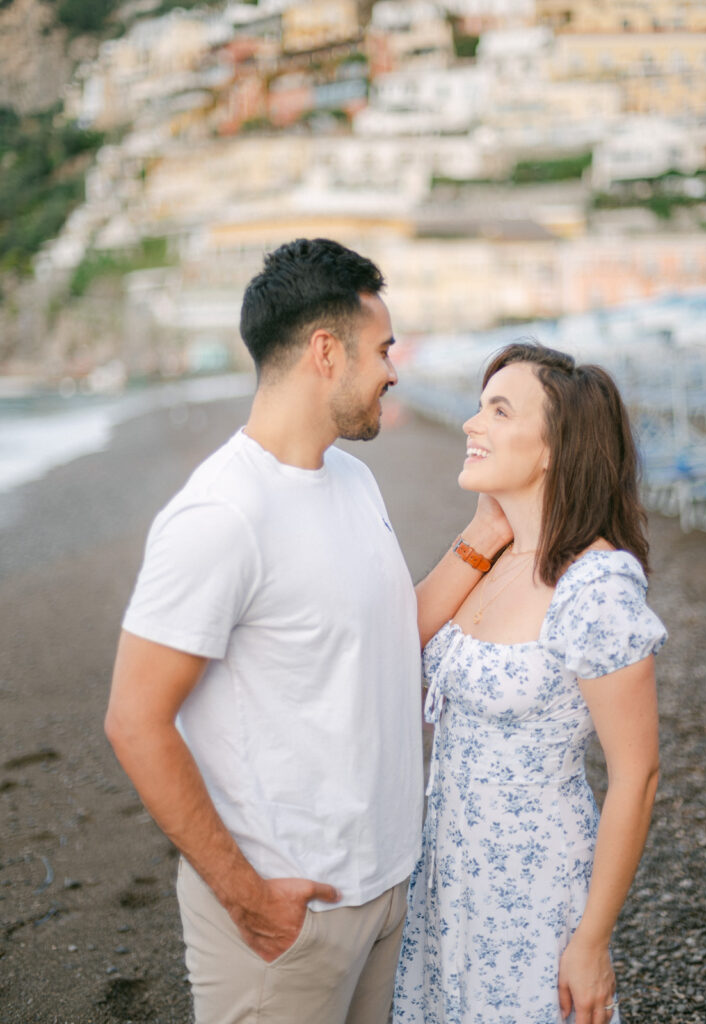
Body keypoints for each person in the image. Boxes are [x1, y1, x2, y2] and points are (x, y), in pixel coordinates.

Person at [105, 238, 424, 1024]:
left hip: (384, 889)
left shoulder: (353, 477)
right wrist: (249, 900)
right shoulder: (221, 514)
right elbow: (134, 721)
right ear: (326, 351)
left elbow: (383, 631)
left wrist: (497, 534)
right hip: (290, 915)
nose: (393, 369)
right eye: (382, 349)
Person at [393, 342, 667, 1024]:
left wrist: (593, 939)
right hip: (452, 874)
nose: (470, 424)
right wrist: (483, 530)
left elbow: (637, 775)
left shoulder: (596, 587)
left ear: (553, 448)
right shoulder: (499, 554)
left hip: (533, 885)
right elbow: (400, 641)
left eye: (498, 410)